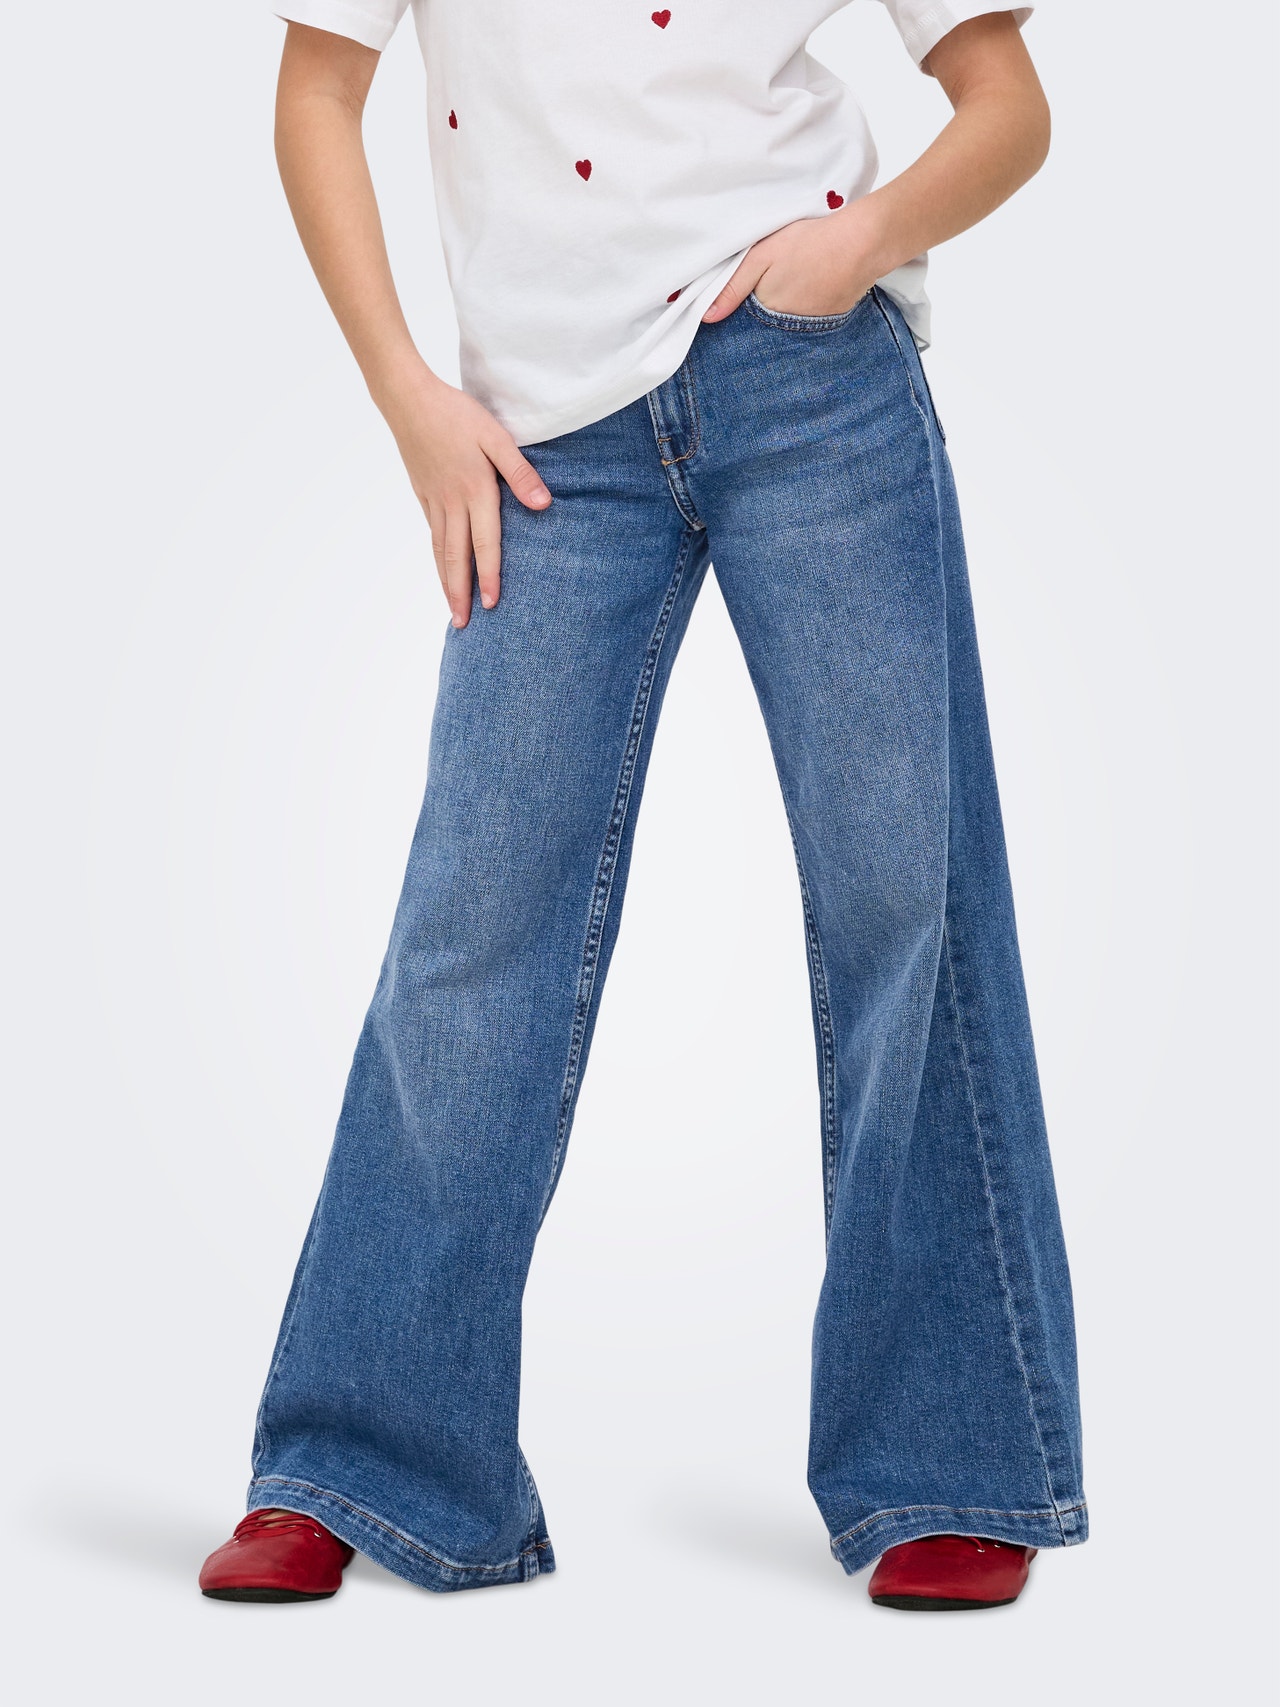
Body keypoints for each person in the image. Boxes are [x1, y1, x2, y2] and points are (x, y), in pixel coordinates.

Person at [199, 0, 1087, 1612]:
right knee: (471, 928)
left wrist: (860, 241)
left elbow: (1006, 104)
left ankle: (954, 1463)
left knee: (907, 895)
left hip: (811, 376)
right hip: (542, 435)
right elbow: (317, 92)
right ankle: (364, 1457)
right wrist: (408, 398)